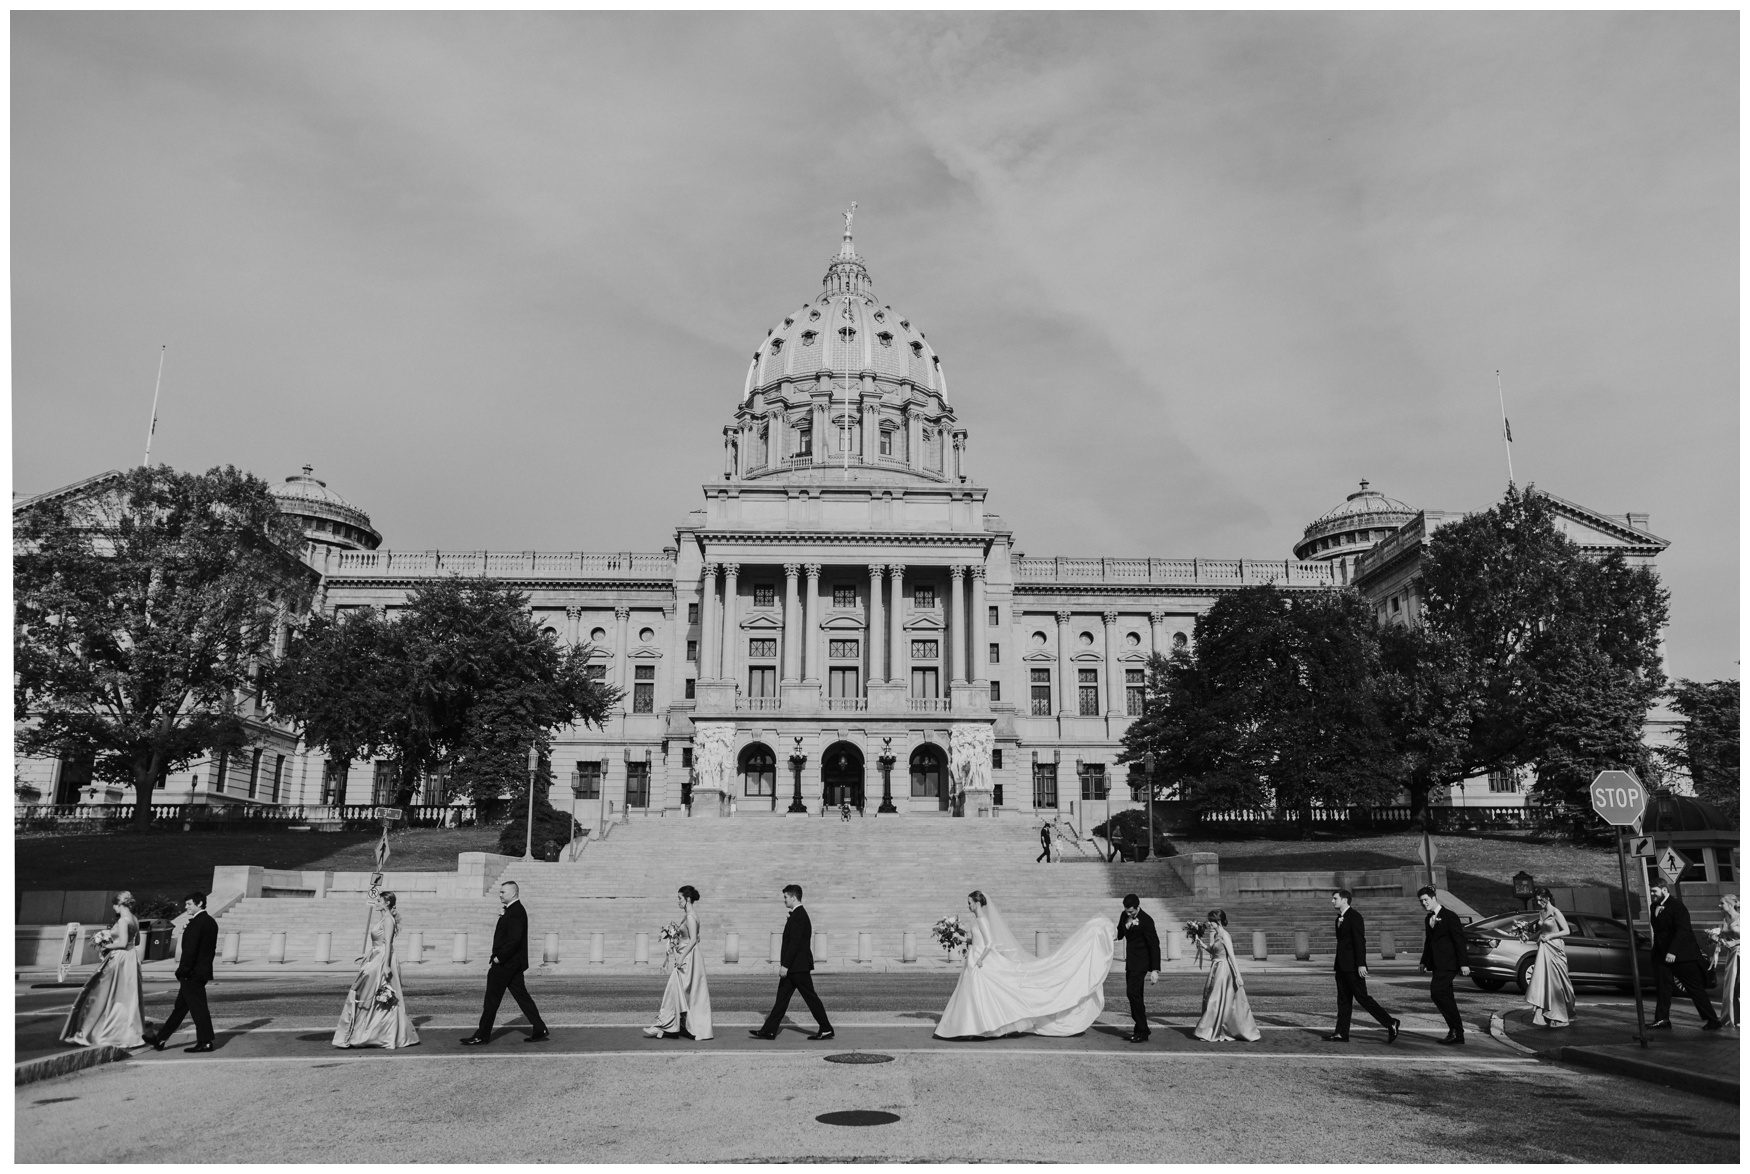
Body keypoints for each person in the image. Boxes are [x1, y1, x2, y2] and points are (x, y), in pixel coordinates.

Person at [935, 891, 1114, 1040]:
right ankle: (972, 1025)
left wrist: (981, 959)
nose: (968, 906)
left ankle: (975, 1025)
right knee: (975, 993)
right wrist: (960, 938)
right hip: (975, 957)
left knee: (979, 993)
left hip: (980, 960)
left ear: (977, 903)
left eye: (969, 903)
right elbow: (977, 940)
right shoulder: (977, 920)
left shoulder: (982, 920)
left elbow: (989, 943)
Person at [461, 880, 550, 1045]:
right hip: (513, 964)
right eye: (500, 892)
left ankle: (482, 1035)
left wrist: (499, 957)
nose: (500, 894)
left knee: (491, 1000)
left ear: (513, 893)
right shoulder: (513, 910)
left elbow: (514, 940)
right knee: (522, 997)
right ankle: (540, 1028)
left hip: (506, 964)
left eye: (503, 892)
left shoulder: (516, 911)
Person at [332, 889, 419, 1049]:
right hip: (376, 956)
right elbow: (378, 943)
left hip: (383, 959)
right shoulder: (383, 918)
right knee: (372, 993)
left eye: (379, 901)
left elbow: (388, 944)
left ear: (387, 903)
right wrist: (366, 955)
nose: (376, 903)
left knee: (379, 994)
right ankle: (371, 1031)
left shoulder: (388, 920)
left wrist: (386, 965)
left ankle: (384, 1034)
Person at [60, 891, 146, 1049]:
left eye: (114, 906)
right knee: (126, 994)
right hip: (131, 958)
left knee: (102, 991)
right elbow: (137, 941)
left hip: (120, 958)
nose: (114, 909)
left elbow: (122, 943)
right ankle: (127, 1031)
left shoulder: (123, 920)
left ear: (119, 904)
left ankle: (101, 1030)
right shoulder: (135, 919)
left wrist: (105, 945)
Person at [750, 884, 833, 1041]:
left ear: (794, 897)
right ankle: (769, 1030)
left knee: (810, 998)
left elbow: (794, 943)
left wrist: (785, 965)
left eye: (786, 897)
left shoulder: (799, 916)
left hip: (797, 967)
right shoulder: (798, 915)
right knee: (782, 1000)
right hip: (795, 967)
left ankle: (826, 1028)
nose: (784, 900)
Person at [1324, 889, 1399, 1043]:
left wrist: (1361, 964)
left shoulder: (1355, 917)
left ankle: (1390, 1022)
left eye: (1335, 898)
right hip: (1341, 966)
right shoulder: (1339, 918)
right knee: (1343, 1000)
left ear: (1344, 900)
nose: (1332, 901)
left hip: (1353, 966)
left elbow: (1360, 941)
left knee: (1362, 998)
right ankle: (1341, 1033)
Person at [1648, 880, 1722, 1030]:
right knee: (1663, 987)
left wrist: (1672, 952)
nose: (1652, 894)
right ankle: (1662, 1019)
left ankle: (1713, 1020)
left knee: (1694, 988)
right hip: (1661, 955)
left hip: (1682, 955)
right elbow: (1659, 932)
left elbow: (1683, 931)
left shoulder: (1677, 906)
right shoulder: (1654, 906)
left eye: (1654, 891)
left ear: (1664, 890)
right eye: (1651, 891)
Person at [150, 891, 218, 1053]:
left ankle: (206, 1042)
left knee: (198, 1008)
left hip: (192, 973)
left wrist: (183, 971)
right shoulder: (210, 921)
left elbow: (190, 951)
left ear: (199, 903)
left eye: (189, 904)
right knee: (180, 1008)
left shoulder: (197, 923)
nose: (185, 907)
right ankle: (160, 1039)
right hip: (200, 971)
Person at [644, 885, 714, 1041]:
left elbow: (694, 939)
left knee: (674, 989)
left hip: (687, 960)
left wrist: (681, 957)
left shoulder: (690, 917)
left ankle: (665, 1025)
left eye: (679, 898)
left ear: (688, 899)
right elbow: (695, 937)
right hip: (688, 957)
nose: (678, 901)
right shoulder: (689, 915)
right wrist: (674, 940)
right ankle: (675, 1025)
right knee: (680, 992)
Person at [1192, 909, 1260, 1042]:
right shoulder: (1217, 934)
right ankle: (1212, 1029)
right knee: (1212, 998)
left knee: (1214, 1000)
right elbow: (1214, 952)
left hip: (1223, 970)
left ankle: (1208, 1031)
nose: (1209, 923)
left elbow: (1232, 956)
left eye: (1211, 921)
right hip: (1216, 968)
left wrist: (1238, 975)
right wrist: (1203, 945)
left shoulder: (1225, 935)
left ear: (1218, 921)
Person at [1417, 886, 1470, 1045]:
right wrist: (1423, 961)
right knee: (1446, 997)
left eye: (1426, 900)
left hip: (1449, 964)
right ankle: (1457, 1033)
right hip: (1437, 964)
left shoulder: (1450, 916)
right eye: (1421, 901)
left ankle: (1456, 1030)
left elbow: (1459, 941)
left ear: (1434, 898)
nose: (1424, 903)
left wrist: (1464, 964)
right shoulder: (1428, 918)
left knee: (1437, 993)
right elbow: (1429, 942)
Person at [1523, 887, 1576, 1028]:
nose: (1538, 903)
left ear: (1547, 898)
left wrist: (1550, 936)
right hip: (1544, 948)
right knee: (1545, 980)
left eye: (1540, 900)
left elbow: (1567, 931)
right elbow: (1541, 931)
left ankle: (1562, 1016)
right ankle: (1548, 1015)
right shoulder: (1541, 912)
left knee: (1558, 982)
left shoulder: (1555, 912)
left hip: (1555, 948)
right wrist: (1528, 937)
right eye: (1536, 900)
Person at [1115, 894, 1160, 1043]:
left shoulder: (1147, 920)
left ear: (1137, 907)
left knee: (1132, 993)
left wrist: (1155, 970)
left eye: (1131, 911)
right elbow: (1120, 934)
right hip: (1131, 962)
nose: (1128, 913)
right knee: (1135, 996)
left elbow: (1154, 945)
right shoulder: (1124, 915)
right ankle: (1142, 1029)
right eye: (1126, 911)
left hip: (1141, 963)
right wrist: (1123, 927)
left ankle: (1142, 1029)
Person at [1713, 894, 1739, 1029]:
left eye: (1722, 903)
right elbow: (1724, 937)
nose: (1719, 906)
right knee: (1731, 988)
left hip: (1741, 955)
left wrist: (1735, 942)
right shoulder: (1725, 919)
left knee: (1740, 987)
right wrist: (1715, 937)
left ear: (1730, 904)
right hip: (1732, 955)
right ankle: (1733, 1017)